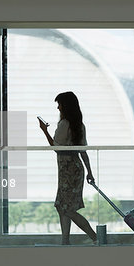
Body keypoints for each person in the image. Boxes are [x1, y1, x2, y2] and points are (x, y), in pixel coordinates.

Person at [39, 91, 97, 245]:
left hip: (67, 169)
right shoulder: (79, 125)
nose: (58, 108)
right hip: (75, 168)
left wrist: (44, 130)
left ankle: (94, 237)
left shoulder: (64, 124)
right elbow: (83, 151)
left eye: (60, 105)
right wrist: (89, 172)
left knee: (66, 208)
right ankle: (65, 240)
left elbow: (56, 148)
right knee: (63, 206)